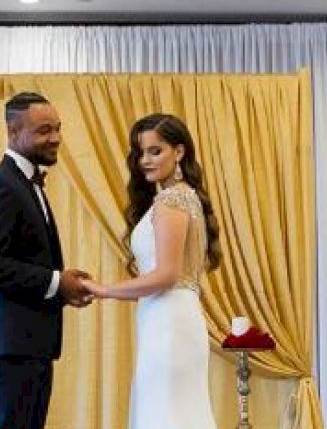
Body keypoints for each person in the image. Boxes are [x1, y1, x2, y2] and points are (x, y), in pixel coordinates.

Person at [0, 92, 96, 429]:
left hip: (26, 342)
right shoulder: (0, 185)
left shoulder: (25, 182)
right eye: (43, 131)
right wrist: (56, 282)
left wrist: (60, 283)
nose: (55, 138)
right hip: (9, 343)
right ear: (12, 132)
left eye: (58, 129)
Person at [88, 113, 221, 429]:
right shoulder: (183, 196)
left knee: (165, 414)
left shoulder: (172, 199)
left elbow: (166, 276)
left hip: (169, 323)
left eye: (155, 151)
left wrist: (103, 289)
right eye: (140, 152)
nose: (145, 160)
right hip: (169, 319)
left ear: (180, 151)